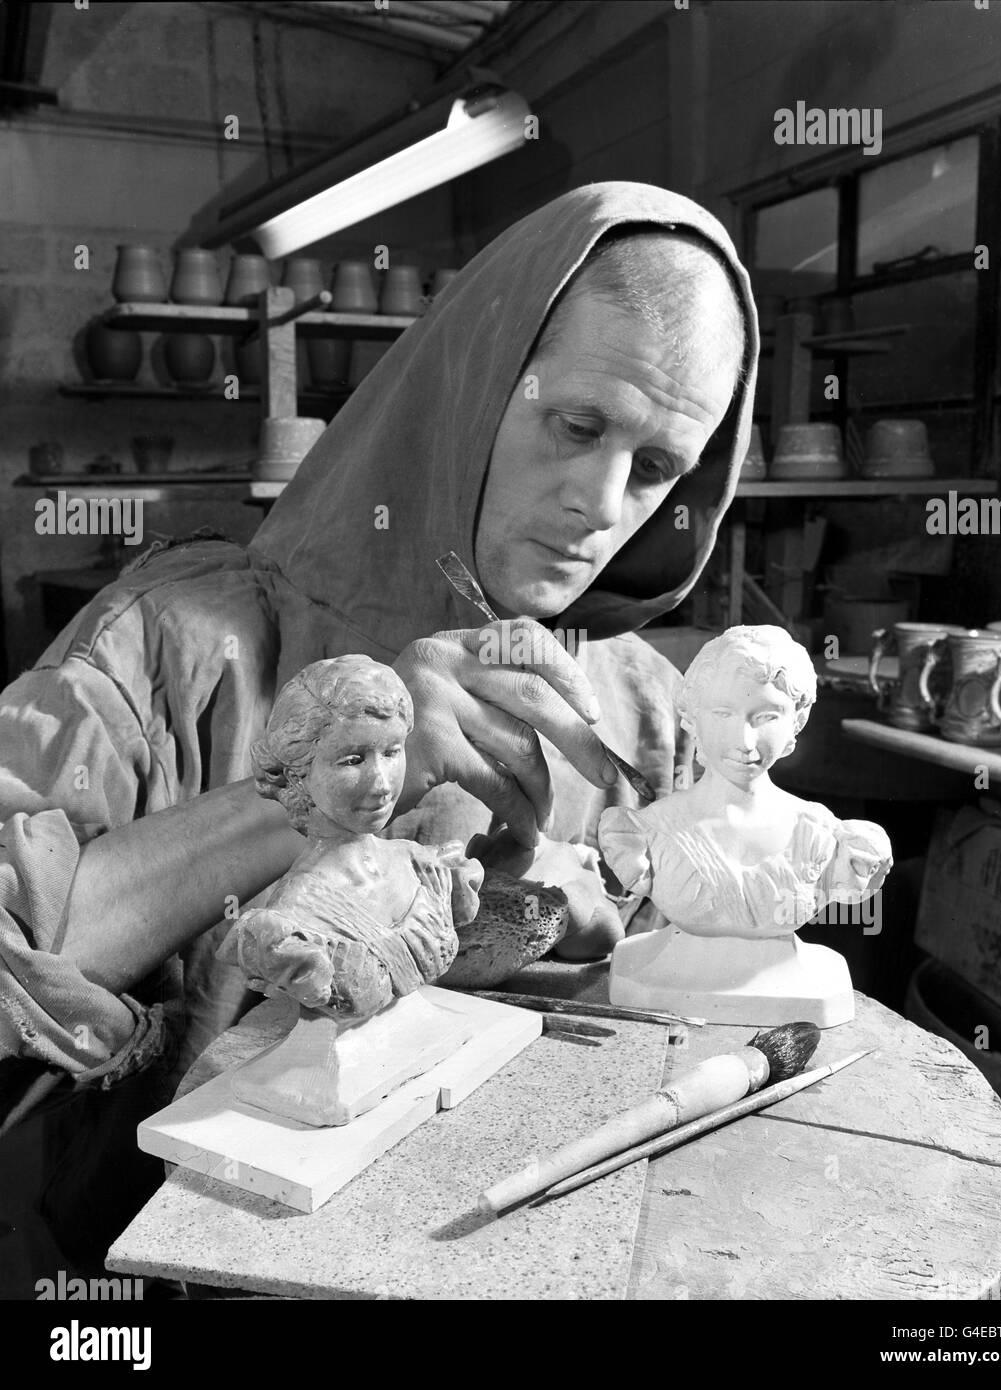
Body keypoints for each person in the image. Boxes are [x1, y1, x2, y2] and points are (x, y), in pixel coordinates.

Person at [0, 182, 759, 1133]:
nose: (604, 507)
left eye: (655, 470)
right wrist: (331, 764)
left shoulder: (643, 711)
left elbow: (690, 1055)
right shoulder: (175, 645)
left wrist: (603, 965)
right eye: (576, 427)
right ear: (472, 384)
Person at [220, 655, 483, 1019]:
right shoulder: (293, 919)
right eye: (352, 760)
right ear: (299, 774)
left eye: (392, 752)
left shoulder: (424, 865)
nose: (381, 783)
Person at [599, 626, 893, 936]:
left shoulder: (824, 837)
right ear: (693, 717)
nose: (745, 742)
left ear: (797, 721)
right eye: (724, 714)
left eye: (767, 717)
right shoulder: (644, 833)